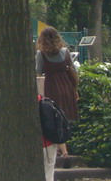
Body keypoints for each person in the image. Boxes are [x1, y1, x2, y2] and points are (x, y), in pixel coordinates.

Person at [36, 26, 79, 159]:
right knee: (66, 116)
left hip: (52, 86)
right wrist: (75, 89)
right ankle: (65, 146)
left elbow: (38, 71)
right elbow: (73, 71)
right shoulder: (65, 52)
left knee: (55, 117)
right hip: (66, 85)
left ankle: (63, 151)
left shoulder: (41, 54)